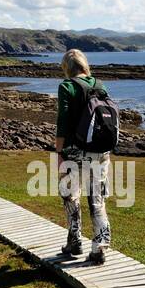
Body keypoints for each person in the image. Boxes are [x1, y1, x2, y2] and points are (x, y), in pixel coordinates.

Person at [55, 49, 111, 264]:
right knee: (97, 199)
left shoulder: (66, 86)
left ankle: (75, 241)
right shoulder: (99, 84)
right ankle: (100, 248)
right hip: (100, 151)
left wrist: (59, 153)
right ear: (84, 64)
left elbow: (63, 123)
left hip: (74, 152)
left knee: (71, 196)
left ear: (67, 67)